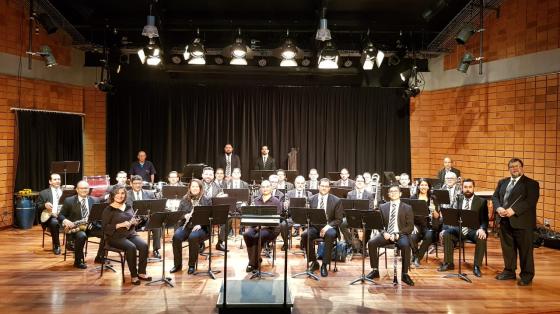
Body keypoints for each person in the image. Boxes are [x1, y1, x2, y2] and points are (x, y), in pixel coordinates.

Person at [493, 158, 540, 286]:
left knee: (525, 251)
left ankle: (527, 275)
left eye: (517, 166)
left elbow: (530, 201)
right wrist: (499, 208)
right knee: (508, 249)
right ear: (509, 169)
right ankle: (509, 271)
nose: (514, 169)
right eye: (512, 167)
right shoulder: (503, 182)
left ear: (522, 167)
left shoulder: (531, 184)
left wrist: (513, 210)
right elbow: (495, 196)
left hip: (522, 222)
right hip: (504, 221)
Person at [366, 185, 415, 286]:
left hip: (401, 234)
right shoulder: (383, 207)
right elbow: (379, 224)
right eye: (391, 192)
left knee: (406, 245)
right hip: (387, 234)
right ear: (388, 194)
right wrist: (384, 233)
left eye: (395, 191)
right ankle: (375, 270)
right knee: (371, 243)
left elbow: (410, 227)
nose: (393, 193)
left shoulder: (407, 207)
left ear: (400, 193)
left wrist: (397, 234)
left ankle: (405, 274)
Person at [438, 179, 488, 277]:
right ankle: (449, 263)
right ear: (462, 188)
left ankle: (476, 266)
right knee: (447, 234)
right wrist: (444, 229)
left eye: (470, 187)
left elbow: (484, 220)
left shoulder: (481, 202)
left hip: (474, 230)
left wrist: (482, 229)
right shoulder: (458, 199)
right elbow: (450, 216)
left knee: (481, 237)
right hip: (459, 229)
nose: (468, 189)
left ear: (474, 188)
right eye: (465, 187)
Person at [102, 186, 151, 285]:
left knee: (144, 245)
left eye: (122, 193)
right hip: (115, 237)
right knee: (131, 247)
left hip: (130, 234)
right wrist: (120, 225)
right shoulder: (108, 209)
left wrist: (135, 222)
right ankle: (133, 275)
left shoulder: (128, 206)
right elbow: (105, 228)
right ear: (113, 195)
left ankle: (141, 272)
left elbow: (133, 222)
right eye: (117, 193)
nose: (120, 195)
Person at [301, 178, 343, 277]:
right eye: (322, 186)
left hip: (330, 227)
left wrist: (327, 227)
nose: (324, 188)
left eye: (326, 186)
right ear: (318, 187)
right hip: (315, 227)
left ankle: (324, 264)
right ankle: (314, 262)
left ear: (329, 188)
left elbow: (339, 219)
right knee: (305, 235)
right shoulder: (311, 199)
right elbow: (308, 217)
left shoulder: (337, 201)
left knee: (330, 235)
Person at [170, 179, 212, 274]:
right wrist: (185, 216)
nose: (195, 188)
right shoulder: (185, 199)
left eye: (197, 186)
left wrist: (200, 224)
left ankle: (191, 265)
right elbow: (179, 213)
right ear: (189, 188)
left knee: (193, 237)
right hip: (187, 226)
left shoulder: (206, 199)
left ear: (200, 188)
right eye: (193, 186)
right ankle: (177, 265)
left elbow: (209, 215)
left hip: (202, 227)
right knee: (176, 236)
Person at [243, 180, 282, 272]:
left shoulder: (276, 201)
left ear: (271, 188)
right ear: (260, 189)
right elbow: (252, 216)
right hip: (256, 226)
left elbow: (276, 219)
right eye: (263, 187)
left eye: (267, 186)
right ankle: (256, 259)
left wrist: (262, 225)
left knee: (258, 236)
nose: (265, 189)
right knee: (247, 234)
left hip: (271, 228)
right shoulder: (256, 200)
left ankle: (252, 263)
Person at [58, 181, 97, 269]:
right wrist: (65, 220)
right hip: (77, 228)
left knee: (106, 232)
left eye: (86, 188)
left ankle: (100, 257)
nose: (84, 190)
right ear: (77, 189)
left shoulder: (94, 200)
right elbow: (60, 215)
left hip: (91, 227)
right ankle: (78, 261)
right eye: (82, 188)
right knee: (81, 236)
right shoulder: (69, 200)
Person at [126, 175, 161, 259]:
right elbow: (126, 210)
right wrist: (133, 219)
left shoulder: (149, 193)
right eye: (135, 183)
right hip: (132, 221)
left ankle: (156, 249)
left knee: (156, 225)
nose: (138, 185)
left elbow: (155, 208)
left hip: (146, 219)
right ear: (131, 184)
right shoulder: (127, 195)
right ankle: (130, 250)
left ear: (142, 184)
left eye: (139, 183)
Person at [410, 178, 439, 268]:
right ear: (418, 186)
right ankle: (415, 255)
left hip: (428, 225)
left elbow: (437, 216)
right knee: (412, 236)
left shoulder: (433, 198)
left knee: (429, 236)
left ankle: (417, 257)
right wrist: (412, 225)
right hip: (416, 225)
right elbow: (409, 214)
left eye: (425, 185)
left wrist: (433, 210)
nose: (423, 187)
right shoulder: (413, 198)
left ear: (428, 187)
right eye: (422, 185)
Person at [341, 175, 373, 252]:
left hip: (364, 218)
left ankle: (363, 246)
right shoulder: (350, 194)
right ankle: (352, 244)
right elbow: (347, 209)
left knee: (370, 225)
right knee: (342, 224)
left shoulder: (369, 194)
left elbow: (371, 209)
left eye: (361, 181)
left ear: (364, 183)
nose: (360, 183)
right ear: (355, 183)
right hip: (352, 217)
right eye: (358, 181)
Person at [282, 175, 312, 248]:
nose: (300, 185)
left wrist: (307, 205)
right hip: (292, 217)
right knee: (283, 225)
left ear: (305, 184)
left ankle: (303, 242)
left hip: (304, 218)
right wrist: (286, 205)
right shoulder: (289, 193)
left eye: (302, 183)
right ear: (295, 183)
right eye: (298, 183)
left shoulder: (309, 194)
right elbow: (285, 208)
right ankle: (285, 243)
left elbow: (311, 208)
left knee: (310, 226)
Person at [37, 173, 64, 255]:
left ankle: (71, 243)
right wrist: (44, 205)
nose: (57, 181)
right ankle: (56, 245)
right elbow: (38, 206)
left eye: (59, 179)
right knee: (54, 222)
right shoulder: (44, 193)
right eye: (55, 179)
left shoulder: (64, 192)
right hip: (50, 217)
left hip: (63, 215)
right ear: (50, 181)